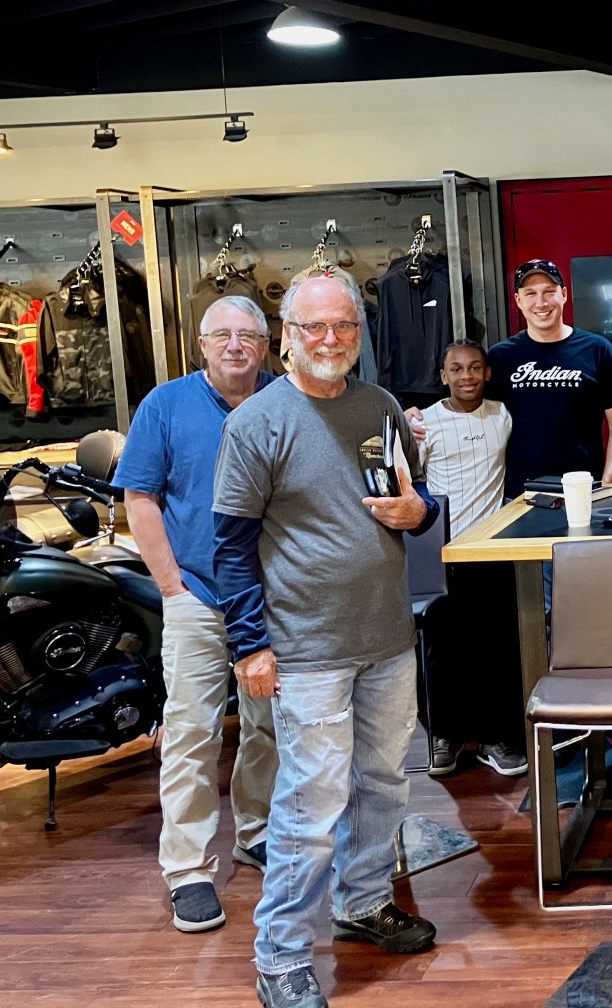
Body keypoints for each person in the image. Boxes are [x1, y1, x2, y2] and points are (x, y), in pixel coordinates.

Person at [212, 276, 442, 1008]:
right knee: (309, 806)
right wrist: (250, 646)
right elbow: (230, 548)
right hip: (304, 648)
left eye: (343, 325)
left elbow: (414, 500)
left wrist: (420, 512)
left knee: (383, 784)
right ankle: (279, 954)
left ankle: (362, 902)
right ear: (288, 333)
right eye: (314, 326)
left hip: (387, 638)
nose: (330, 339)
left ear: (359, 332)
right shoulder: (257, 423)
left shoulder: (379, 407)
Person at [114, 297, 278, 934]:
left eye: (248, 335)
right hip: (198, 599)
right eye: (222, 335)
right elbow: (140, 499)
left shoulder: (286, 399)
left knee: (269, 726)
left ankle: (257, 831)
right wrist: (172, 587)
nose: (235, 345)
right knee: (191, 733)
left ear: (265, 345)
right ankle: (187, 869)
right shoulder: (165, 405)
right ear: (202, 345)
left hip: (273, 599)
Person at [417, 341, 523, 778]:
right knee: (442, 650)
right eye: (457, 369)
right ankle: (445, 736)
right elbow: (407, 478)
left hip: (492, 552)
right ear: (444, 376)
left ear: (487, 373)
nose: (467, 376)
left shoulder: (502, 416)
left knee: (495, 649)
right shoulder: (424, 423)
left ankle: (495, 739)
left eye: (475, 368)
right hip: (443, 554)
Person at [486, 257, 612, 497]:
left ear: (563, 294)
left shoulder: (597, 350)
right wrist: (420, 415)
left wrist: (607, 483)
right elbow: (475, 415)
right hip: (520, 495)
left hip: (584, 491)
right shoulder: (500, 357)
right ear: (518, 300)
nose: (541, 303)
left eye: (549, 292)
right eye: (530, 294)